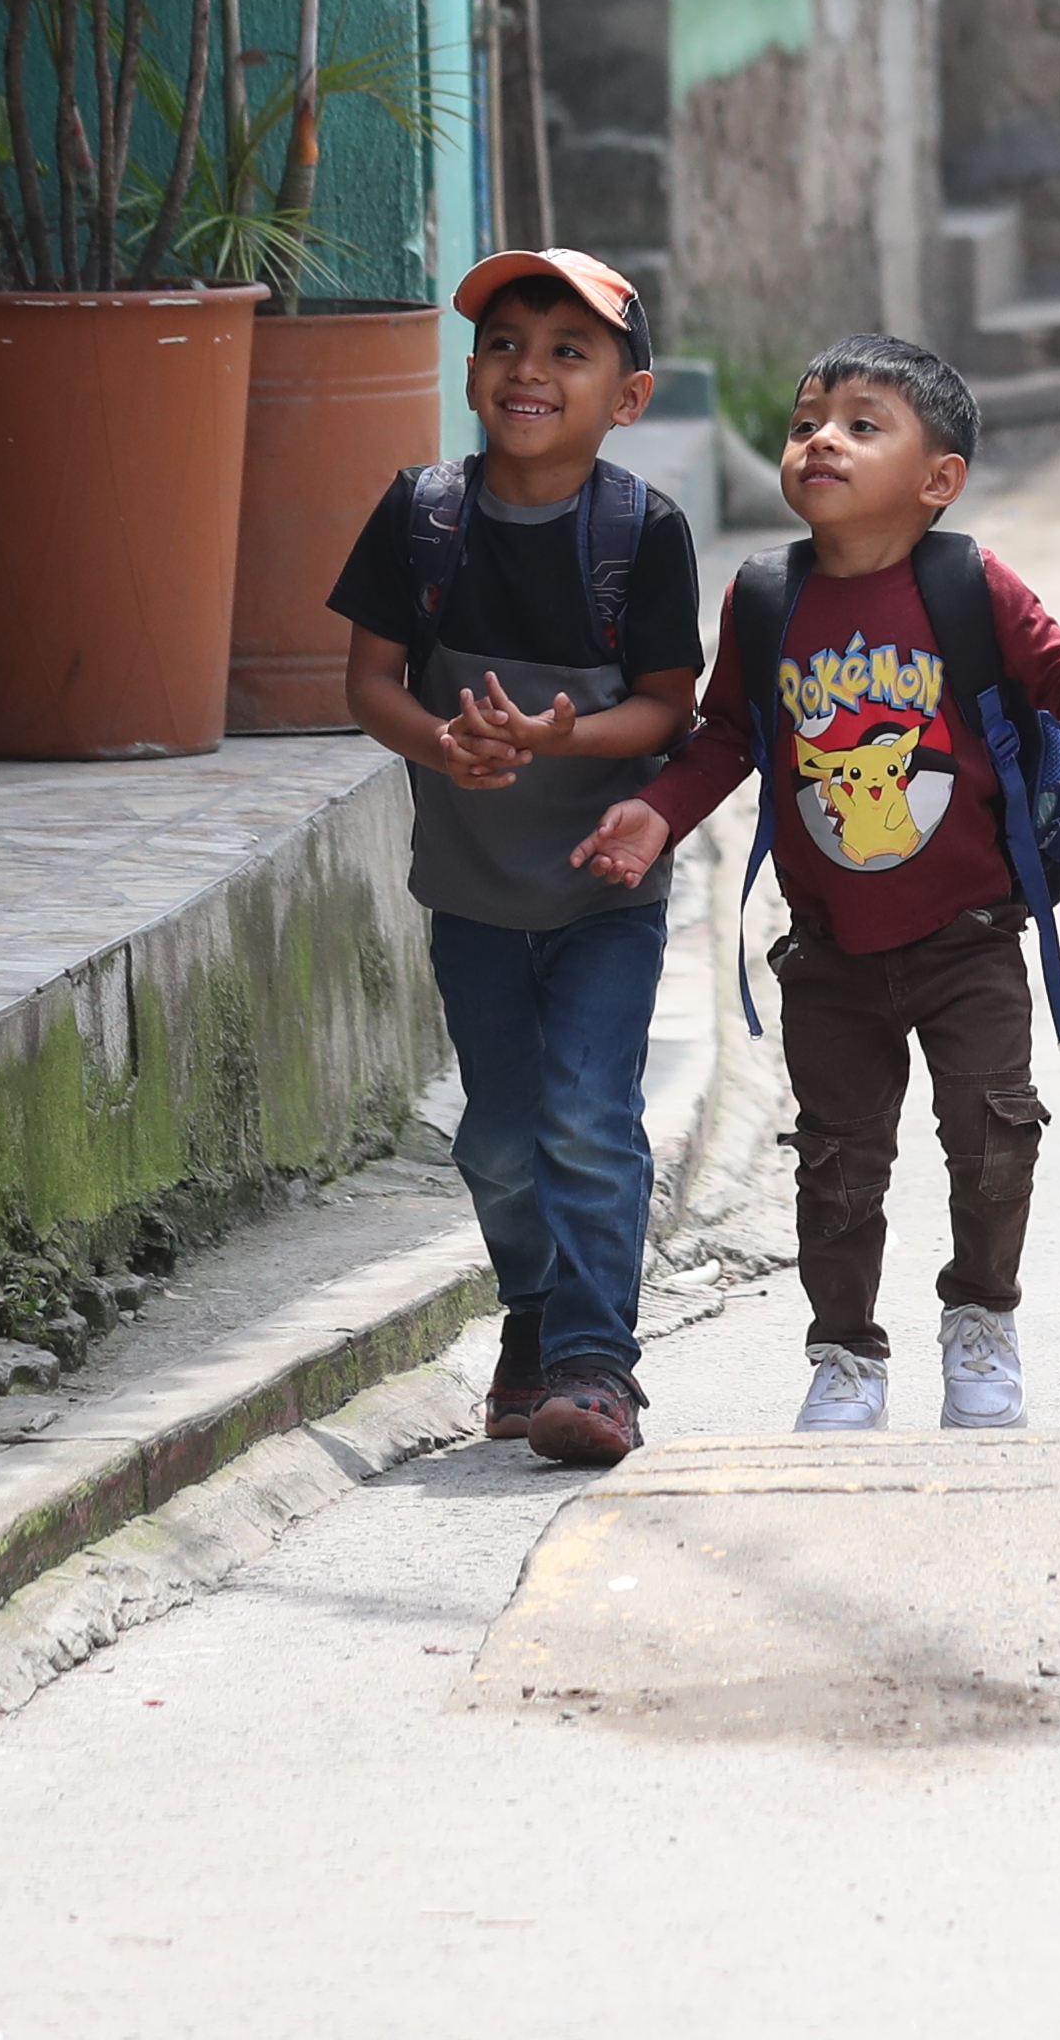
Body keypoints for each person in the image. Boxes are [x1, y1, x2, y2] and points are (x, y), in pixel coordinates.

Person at [588, 334, 1060, 1438]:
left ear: (938, 481)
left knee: (991, 1135)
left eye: (862, 424)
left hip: (970, 939)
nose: (821, 438)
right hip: (826, 949)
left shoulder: (969, 584)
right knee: (834, 1164)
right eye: (805, 421)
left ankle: (981, 1317)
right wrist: (656, 814)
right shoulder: (767, 595)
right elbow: (728, 734)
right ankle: (844, 1356)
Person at [329, 249, 705, 1467]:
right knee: (497, 1133)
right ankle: (533, 1318)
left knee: (591, 1116)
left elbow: (666, 710)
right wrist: (446, 747)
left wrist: (561, 741)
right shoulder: (421, 516)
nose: (527, 370)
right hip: (476, 894)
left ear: (626, 399)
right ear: (473, 371)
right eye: (504, 345)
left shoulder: (641, 534)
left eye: (566, 351)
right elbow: (368, 683)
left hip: (605, 891)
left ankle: (597, 1366)